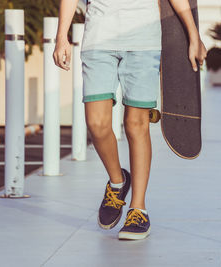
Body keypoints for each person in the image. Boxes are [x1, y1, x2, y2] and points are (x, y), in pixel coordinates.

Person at [53, 0, 207, 240]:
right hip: (98, 40)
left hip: (144, 43)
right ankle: (118, 181)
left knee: (136, 124)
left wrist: (193, 35)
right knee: (96, 123)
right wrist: (61, 35)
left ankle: (138, 209)